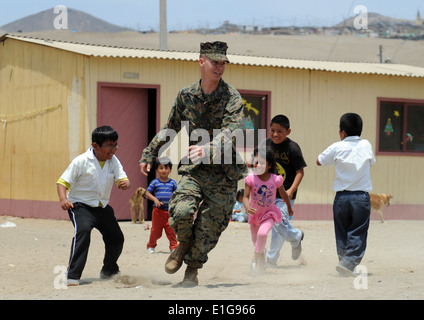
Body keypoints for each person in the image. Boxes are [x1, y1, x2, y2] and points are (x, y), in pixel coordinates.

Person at [139, 41, 247, 287]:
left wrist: (207, 149)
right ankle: (183, 245)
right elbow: (170, 128)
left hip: (224, 174)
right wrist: (149, 153)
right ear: (202, 61)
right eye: (215, 62)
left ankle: (192, 270)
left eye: (223, 63)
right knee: (181, 211)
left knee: (210, 227)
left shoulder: (232, 98)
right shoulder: (186, 95)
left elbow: (232, 133)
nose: (219, 67)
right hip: (195, 171)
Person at [56, 126, 131, 286]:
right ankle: (73, 276)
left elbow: (122, 178)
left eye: (116, 145)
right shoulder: (81, 161)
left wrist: (124, 183)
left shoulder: (113, 161)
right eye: (109, 146)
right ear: (95, 146)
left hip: (102, 208)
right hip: (80, 206)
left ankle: (109, 270)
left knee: (117, 238)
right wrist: (63, 200)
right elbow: (62, 182)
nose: (113, 150)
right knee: (83, 232)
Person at [317, 113, 376, 276]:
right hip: (361, 197)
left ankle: (344, 263)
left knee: (341, 231)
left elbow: (319, 161)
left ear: (342, 132)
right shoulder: (366, 144)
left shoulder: (337, 146)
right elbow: (372, 162)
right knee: (358, 231)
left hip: (341, 198)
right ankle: (348, 263)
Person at [257, 115, 306, 267]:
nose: (276, 134)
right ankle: (296, 236)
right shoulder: (265, 145)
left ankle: (271, 260)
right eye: (272, 130)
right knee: (279, 224)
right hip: (267, 195)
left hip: (285, 196)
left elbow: (300, 172)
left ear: (288, 131)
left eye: (280, 131)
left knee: (278, 224)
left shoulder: (293, 148)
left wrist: (291, 190)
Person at [243, 147, 293, 273]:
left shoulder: (276, 180)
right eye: (255, 162)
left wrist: (289, 207)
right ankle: (261, 255)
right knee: (256, 241)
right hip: (255, 215)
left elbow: (284, 195)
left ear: (269, 165)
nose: (257, 165)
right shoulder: (250, 179)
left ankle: (254, 261)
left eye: (261, 162)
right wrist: (247, 207)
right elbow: (245, 197)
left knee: (262, 234)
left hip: (269, 214)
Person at [145, 157, 178, 254]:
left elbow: (177, 194)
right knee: (155, 231)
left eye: (166, 168)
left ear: (170, 170)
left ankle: (173, 247)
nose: (163, 170)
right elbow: (147, 193)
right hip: (158, 212)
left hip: (169, 212)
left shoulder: (172, 183)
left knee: (171, 230)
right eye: (161, 168)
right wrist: (155, 199)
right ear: (157, 170)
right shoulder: (155, 182)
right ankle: (151, 246)